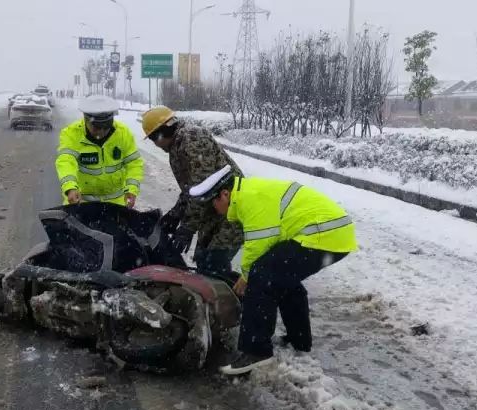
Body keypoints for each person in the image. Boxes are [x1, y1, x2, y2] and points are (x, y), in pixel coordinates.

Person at [189, 166, 357, 375]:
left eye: (213, 202)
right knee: (282, 277)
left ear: (224, 194)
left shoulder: (249, 198)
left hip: (325, 234)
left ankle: (256, 350)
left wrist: (246, 277)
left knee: (262, 276)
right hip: (330, 232)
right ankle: (299, 340)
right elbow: (267, 241)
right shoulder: (247, 193)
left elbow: (258, 244)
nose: (214, 208)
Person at [141, 106, 244, 277]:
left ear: (160, 133)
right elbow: (192, 189)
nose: (156, 145)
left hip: (230, 208)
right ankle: (225, 296)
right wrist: (175, 214)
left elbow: (204, 189)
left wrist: (187, 228)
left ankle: (240, 299)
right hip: (214, 211)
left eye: (153, 139)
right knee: (205, 262)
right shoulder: (178, 143)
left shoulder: (191, 139)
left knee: (214, 264)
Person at [55, 95, 144, 207]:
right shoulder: (71, 134)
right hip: (81, 204)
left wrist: (132, 189)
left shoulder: (123, 133)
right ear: (86, 120)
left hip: (115, 206)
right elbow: (66, 161)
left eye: (106, 127)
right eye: (97, 127)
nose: (101, 132)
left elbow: (134, 164)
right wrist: (70, 187)